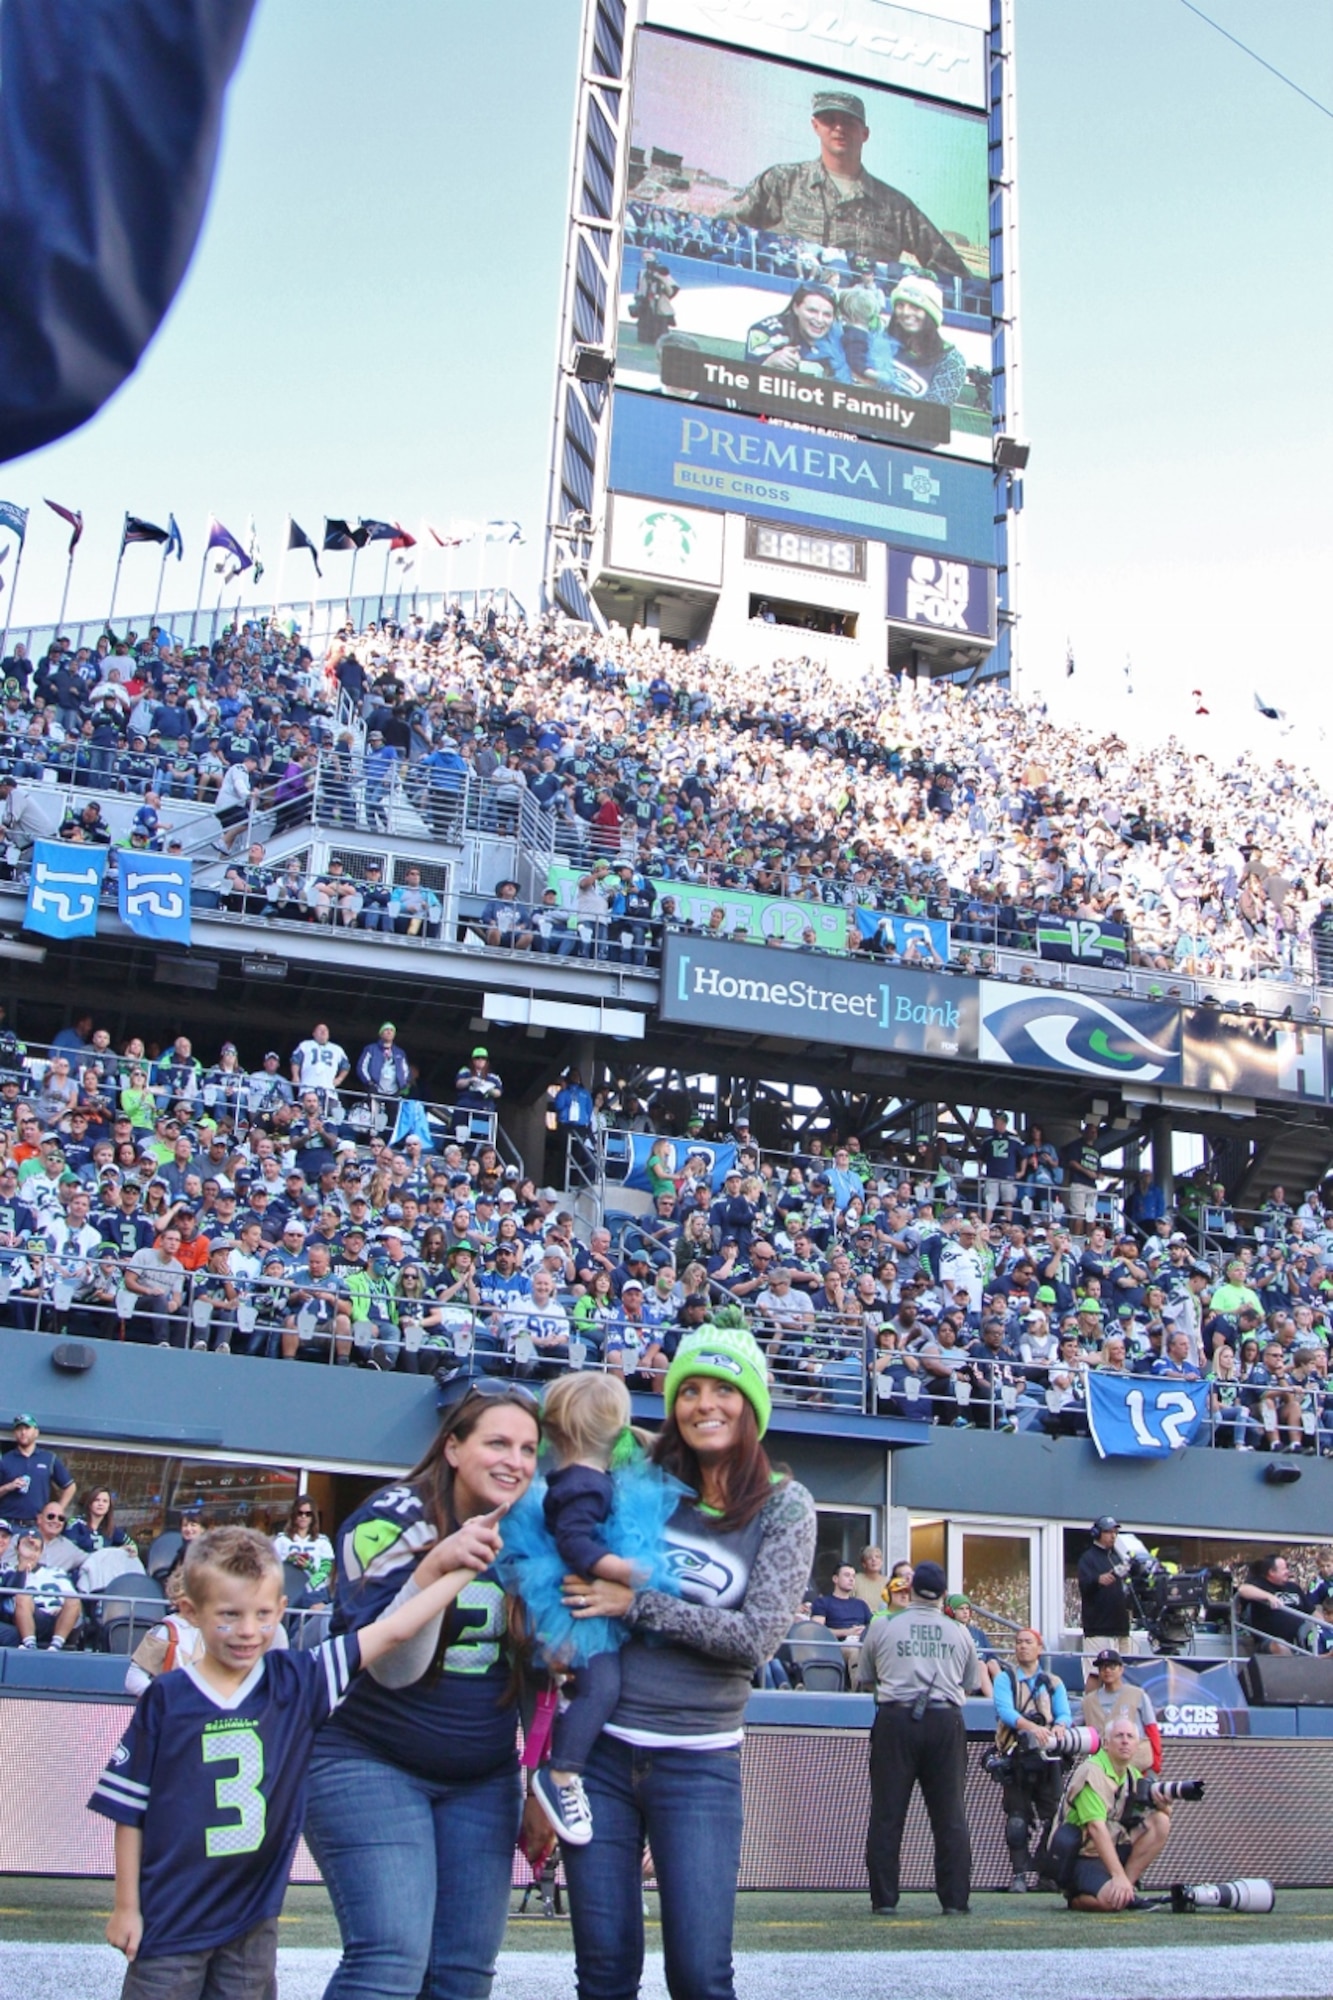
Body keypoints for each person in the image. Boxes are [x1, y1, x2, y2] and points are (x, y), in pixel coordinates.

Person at [89, 1524, 478, 2000]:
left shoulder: (297, 1680)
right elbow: (130, 1810)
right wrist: (126, 1906)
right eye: (229, 1614)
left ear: (280, 1610)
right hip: (171, 1918)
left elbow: (394, 1629)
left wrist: (465, 1567)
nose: (249, 1630)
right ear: (190, 1611)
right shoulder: (167, 1697)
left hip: (252, 1918)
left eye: (263, 1614)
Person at [554, 1315, 816, 2000]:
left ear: (752, 1404)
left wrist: (633, 1605)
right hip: (601, 1756)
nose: (705, 1404)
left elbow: (754, 1640)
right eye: (689, 1389)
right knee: (603, 1974)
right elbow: (571, 1440)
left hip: (700, 1761)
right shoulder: (639, 1475)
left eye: (723, 1390)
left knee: (700, 1976)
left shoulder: (787, 1507)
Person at [303, 1375, 543, 2000]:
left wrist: (542, 1781)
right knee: (389, 1962)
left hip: (483, 1777)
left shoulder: (537, 1533)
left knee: (461, 1976)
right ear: (453, 1447)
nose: (514, 1461)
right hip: (369, 1759)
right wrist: (435, 1569)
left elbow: (541, 1678)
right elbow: (389, 1666)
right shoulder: (389, 1521)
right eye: (497, 1443)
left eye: (527, 1449)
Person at [499, 1372, 680, 1847]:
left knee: (598, 1686)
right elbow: (575, 1540)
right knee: (603, 1687)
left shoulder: (586, 1479)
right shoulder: (584, 1484)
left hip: (577, 1603)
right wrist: (618, 1567)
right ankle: (561, 1775)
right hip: (577, 1607)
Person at [719, 89, 969, 275]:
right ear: (815, 126)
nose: (839, 128)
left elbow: (951, 268)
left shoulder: (895, 206)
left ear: (865, 133)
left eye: (849, 121)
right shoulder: (782, 181)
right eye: (830, 119)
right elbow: (722, 226)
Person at [856, 1557, 984, 1914]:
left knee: (887, 1813)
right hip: (945, 1720)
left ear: (908, 1590)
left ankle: (884, 1900)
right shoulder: (960, 1632)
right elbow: (971, 1683)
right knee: (950, 1816)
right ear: (943, 1595)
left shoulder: (882, 1626)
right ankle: (955, 1901)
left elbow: (866, 1675)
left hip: (895, 1719)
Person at [1054, 1715, 1180, 1912]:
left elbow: (1164, 1816)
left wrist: (1165, 1803)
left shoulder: (1131, 1774)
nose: (1125, 1741)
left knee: (1160, 1822)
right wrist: (1117, 1874)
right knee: (1110, 1903)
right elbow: (1096, 1828)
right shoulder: (1092, 1772)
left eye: (1130, 1737)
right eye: (1119, 1736)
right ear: (1106, 1743)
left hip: (1111, 1847)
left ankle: (1125, 1890)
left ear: (1137, 1745)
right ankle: (1076, 1898)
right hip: (1081, 1856)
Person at [991, 1626, 1072, 1891]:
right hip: (1017, 1755)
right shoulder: (1006, 1679)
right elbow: (1005, 1711)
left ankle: (1046, 1872)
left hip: (1048, 1758)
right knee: (1016, 1820)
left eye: (1028, 1642)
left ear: (1039, 1648)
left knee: (1056, 1818)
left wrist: (1060, 1725)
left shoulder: (1053, 1682)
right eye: (1018, 1642)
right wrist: (1030, 1727)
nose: (1022, 1646)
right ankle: (1020, 1875)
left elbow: (1064, 1713)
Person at [851, 272, 967, 405]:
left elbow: (934, 413)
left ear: (931, 315)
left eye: (915, 307)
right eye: (900, 305)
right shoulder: (880, 338)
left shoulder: (951, 360)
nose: (905, 312)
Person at [745, 282, 852, 381]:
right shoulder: (766, 332)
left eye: (827, 314)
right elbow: (745, 383)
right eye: (812, 311)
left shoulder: (841, 337)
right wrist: (769, 363)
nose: (819, 320)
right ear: (796, 308)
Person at [1081, 1648, 1159, 1774]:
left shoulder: (1137, 1694)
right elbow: (1073, 1726)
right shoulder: (1088, 1701)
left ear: (1121, 1669)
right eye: (1102, 1667)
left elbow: (1152, 1729)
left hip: (1136, 1765)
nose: (1107, 1670)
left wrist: (1156, 1764)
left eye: (1112, 1666)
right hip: (1103, 1768)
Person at [0, 1414, 74, 1528]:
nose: (23, 1432)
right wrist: (8, 1487)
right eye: (19, 1429)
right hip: (8, 1525)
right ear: (15, 1433)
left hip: (37, 1525)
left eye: (27, 1428)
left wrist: (57, 1511)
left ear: (36, 1432)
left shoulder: (49, 1458)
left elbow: (70, 1487)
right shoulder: (4, 1460)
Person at [1077, 1515, 1132, 1652]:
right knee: (1097, 1671)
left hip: (1121, 1628)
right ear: (1097, 1533)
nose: (1113, 1536)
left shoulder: (1116, 1557)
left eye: (1115, 1532)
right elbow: (1083, 1585)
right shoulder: (1088, 1558)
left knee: (1125, 1671)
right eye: (1108, 1532)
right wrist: (1097, 1580)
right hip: (1099, 1629)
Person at [272, 1497, 335, 1603]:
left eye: (308, 1514)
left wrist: (310, 1567)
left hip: (314, 1592)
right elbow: (272, 1566)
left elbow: (327, 1570)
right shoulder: (281, 1540)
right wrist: (289, 1561)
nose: (303, 1516)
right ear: (294, 1515)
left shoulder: (322, 1541)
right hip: (287, 1591)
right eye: (299, 1513)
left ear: (313, 1517)